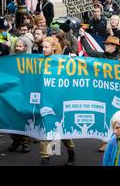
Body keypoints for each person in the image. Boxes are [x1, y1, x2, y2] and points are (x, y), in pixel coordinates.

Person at [39, 37, 75, 166]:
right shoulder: (39, 61)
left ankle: (71, 154)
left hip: (59, 101)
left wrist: (74, 60)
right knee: (45, 128)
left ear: (53, 48)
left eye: (46, 47)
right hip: (45, 101)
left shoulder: (63, 62)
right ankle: (45, 158)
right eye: (42, 47)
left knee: (61, 130)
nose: (43, 49)